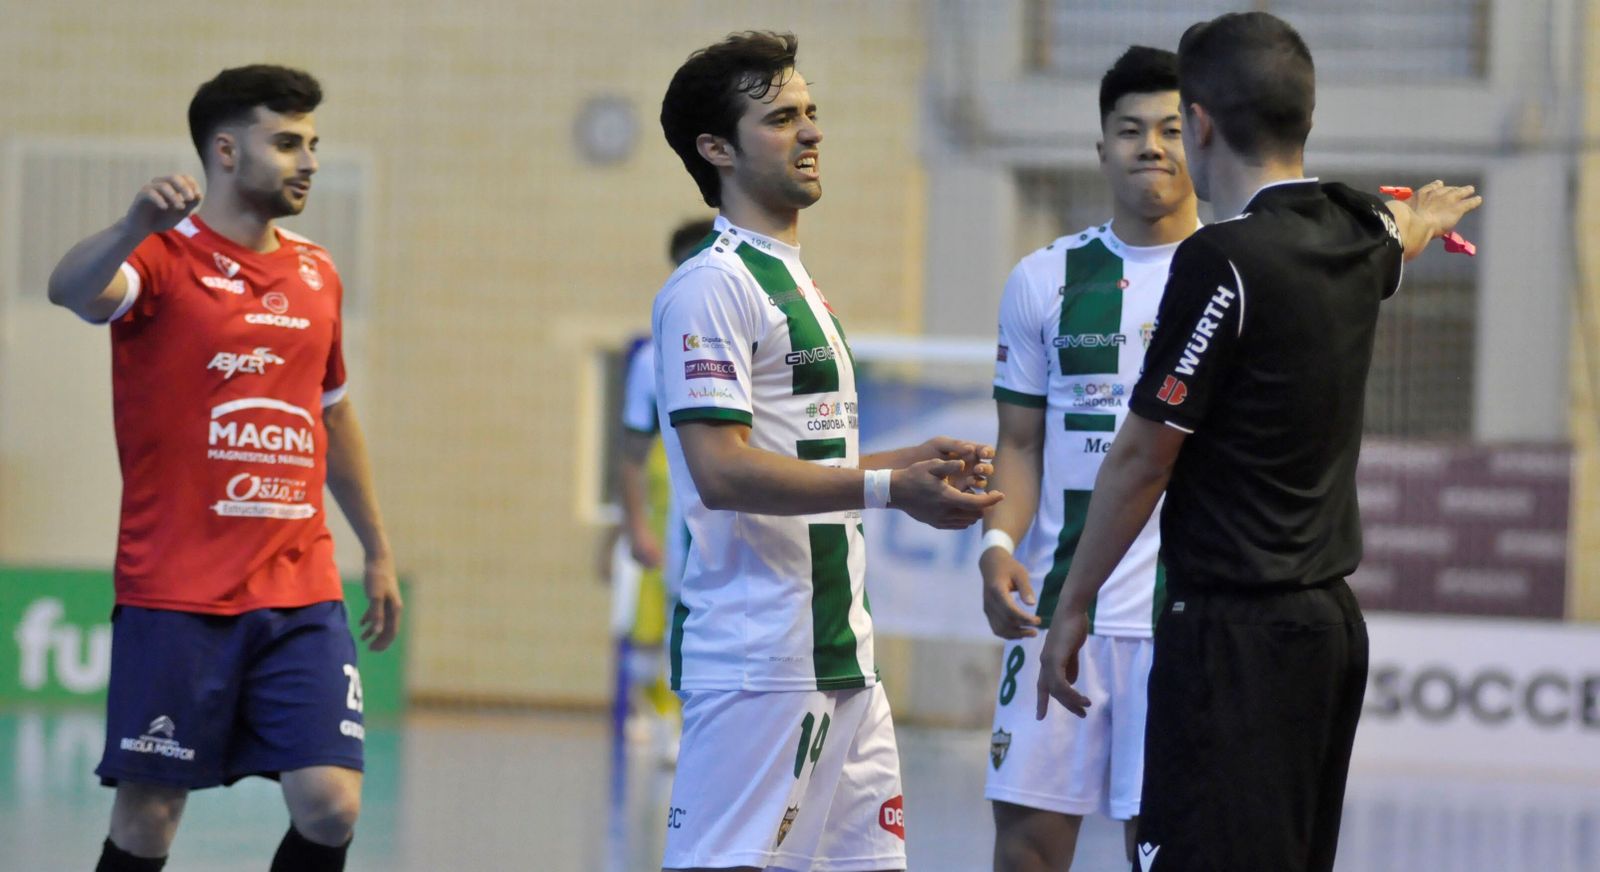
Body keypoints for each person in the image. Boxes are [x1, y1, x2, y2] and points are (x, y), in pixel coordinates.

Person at [1032, 13, 1483, 872]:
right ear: (1303, 116)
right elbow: (1401, 237)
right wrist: (1418, 216)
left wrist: (1074, 602)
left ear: (1199, 122)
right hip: (1329, 634)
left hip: (1234, 640)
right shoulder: (1356, 235)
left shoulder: (1221, 260)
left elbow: (1142, 456)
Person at [655, 31, 1002, 872]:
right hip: (760, 664)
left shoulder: (796, 279)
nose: (812, 131)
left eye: (812, 112)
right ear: (717, 150)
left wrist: (904, 461)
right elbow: (722, 470)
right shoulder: (712, 285)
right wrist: (890, 494)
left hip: (841, 655)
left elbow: (801, 452)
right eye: (781, 118)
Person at [47, 65, 402, 872]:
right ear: (226, 151)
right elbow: (70, 289)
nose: (308, 160)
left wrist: (377, 548)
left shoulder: (318, 273)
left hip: (298, 584)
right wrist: (134, 221)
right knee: (149, 818)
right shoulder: (162, 261)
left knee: (332, 804)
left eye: (314, 143)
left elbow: (334, 412)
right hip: (176, 591)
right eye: (287, 142)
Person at [978, 45, 1197, 871]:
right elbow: (1021, 444)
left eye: (1172, 128)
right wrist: (998, 548)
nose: (1151, 145)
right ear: (1100, 148)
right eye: (1130, 129)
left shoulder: (1235, 275)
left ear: (1200, 140)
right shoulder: (1043, 278)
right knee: (1027, 844)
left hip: (1183, 618)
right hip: (1060, 610)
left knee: (1169, 848)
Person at [608, 217, 716, 760]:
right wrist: (635, 526)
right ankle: (673, 721)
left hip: (741, 515)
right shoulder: (652, 361)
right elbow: (630, 454)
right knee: (675, 619)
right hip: (679, 518)